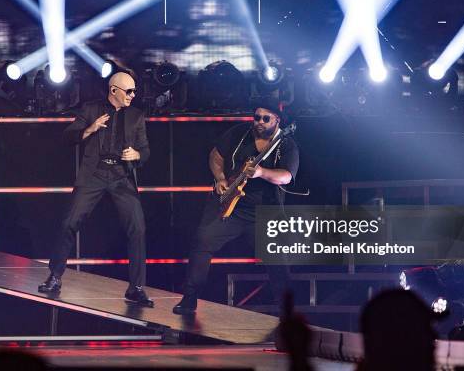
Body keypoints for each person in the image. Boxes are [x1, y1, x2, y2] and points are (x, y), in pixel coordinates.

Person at [38, 71, 153, 307]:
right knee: (69, 222)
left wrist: (137, 155)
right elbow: (67, 137)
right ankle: (55, 277)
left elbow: (145, 150)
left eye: (134, 91)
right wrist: (90, 129)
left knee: (138, 228)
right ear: (114, 91)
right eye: (128, 91)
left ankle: (137, 287)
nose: (133, 95)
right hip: (95, 173)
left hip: (121, 175)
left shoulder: (136, 116)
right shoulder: (91, 109)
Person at [173, 99, 299, 314]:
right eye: (256, 117)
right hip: (232, 208)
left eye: (265, 119)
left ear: (277, 120)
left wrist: (262, 173)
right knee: (203, 240)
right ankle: (190, 298)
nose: (259, 122)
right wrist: (220, 178)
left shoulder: (285, 144)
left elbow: (286, 176)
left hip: (264, 213)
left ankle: (287, 311)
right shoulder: (240, 133)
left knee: (278, 258)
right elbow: (215, 155)